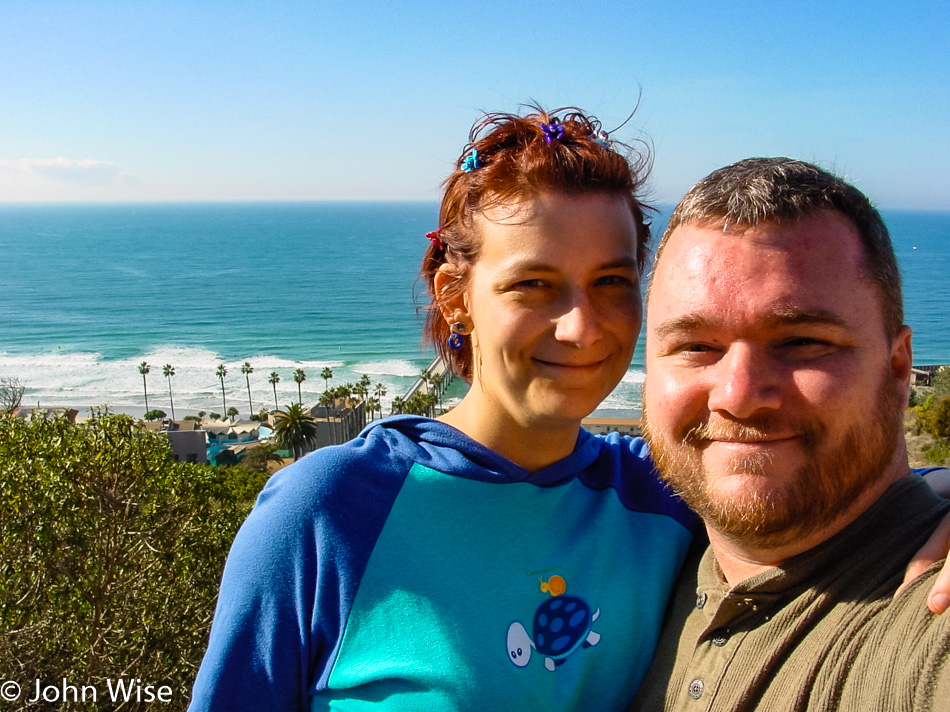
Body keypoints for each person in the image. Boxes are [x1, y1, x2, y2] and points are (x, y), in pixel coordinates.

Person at [187, 107, 699, 711]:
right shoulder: (329, 513)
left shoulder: (669, 493)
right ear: (455, 297)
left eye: (611, 282)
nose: (582, 328)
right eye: (533, 284)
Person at [630, 157, 950, 711]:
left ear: (898, 368)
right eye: (695, 347)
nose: (738, 393)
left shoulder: (929, 625)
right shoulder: (630, 559)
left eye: (803, 341)